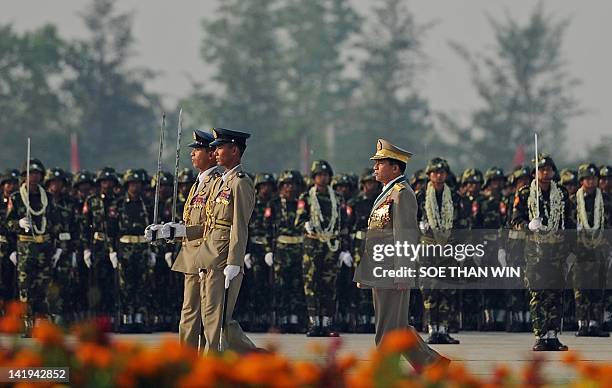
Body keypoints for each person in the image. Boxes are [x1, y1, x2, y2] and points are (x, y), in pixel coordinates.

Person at [353, 139, 449, 372]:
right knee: (396, 325)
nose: (375, 168)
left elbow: (405, 236)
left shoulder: (402, 193)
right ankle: (433, 364)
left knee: (389, 328)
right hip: (381, 268)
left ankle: (387, 372)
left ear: (395, 168)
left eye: (380, 163)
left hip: (392, 270)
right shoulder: (388, 192)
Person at [164, 127, 257, 353]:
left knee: (215, 318)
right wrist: (175, 231)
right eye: (212, 148)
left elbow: (239, 224)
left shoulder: (240, 182)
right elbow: (206, 224)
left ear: (234, 150)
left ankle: (217, 362)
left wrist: (234, 261)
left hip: (222, 255)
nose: (214, 152)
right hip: (207, 253)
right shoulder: (219, 183)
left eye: (219, 147)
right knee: (206, 315)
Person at [150, 129, 223, 349]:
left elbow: (212, 225)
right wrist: (167, 232)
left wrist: (183, 231)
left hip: (206, 257)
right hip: (190, 256)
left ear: (211, 154)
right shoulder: (196, 184)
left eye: (198, 150)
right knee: (189, 312)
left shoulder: (217, 184)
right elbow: (189, 222)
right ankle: (187, 357)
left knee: (210, 315)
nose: (192, 155)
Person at [511, 154, 574, 351]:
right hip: (535, 252)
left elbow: (569, 222)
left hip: (557, 252)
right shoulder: (524, 194)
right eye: (541, 169)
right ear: (535, 173)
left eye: (548, 169)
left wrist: (572, 250)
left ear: (554, 172)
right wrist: (528, 226)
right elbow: (514, 219)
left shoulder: (561, 193)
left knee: (555, 295)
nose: (545, 173)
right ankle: (540, 335)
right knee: (538, 294)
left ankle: (553, 336)